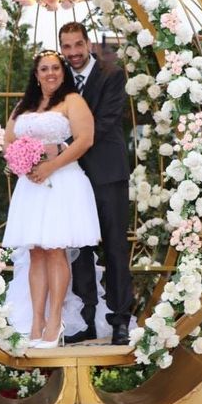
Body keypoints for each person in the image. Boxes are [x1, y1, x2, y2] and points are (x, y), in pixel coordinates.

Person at [1, 50, 101, 349]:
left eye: (56, 68)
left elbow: (85, 139)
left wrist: (50, 166)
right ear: (36, 74)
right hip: (31, 185)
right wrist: (22, 162)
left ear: (63, 71)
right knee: (36, 252)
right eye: (44, 69)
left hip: (61, 181)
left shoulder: (73, 100)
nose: (50, 73)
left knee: (55, 249)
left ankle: (55, 321)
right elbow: (9, 140)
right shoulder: (24, 105)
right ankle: (36, 321)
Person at [57, 22, 133, 346]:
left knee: (114, 247)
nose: (73, 53)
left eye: (77, 45)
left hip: (107, 174)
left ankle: (120, 321)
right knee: (81, 250)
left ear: (88, 43)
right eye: (67, 47)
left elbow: (104, 123)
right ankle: (87, 319)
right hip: (73, 178)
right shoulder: (58, 76)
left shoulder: (112, 75)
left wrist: (62, 147)